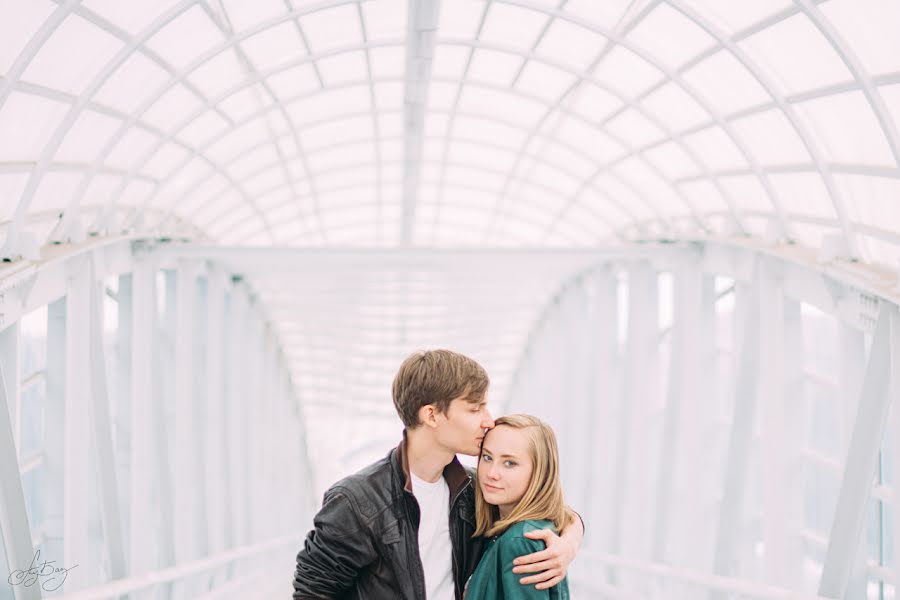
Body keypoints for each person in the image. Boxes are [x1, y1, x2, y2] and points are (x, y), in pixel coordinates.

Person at [293, 350, 583, 599]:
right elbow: (312, 591)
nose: (488, 420)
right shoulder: (357, 502)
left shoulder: (474, 490)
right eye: (475, 408)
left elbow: (544, 507)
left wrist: (569, 542)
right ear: (431, 415)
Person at [463, 414, 572, 600]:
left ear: (539, 472)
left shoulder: (520, 541)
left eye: (509, 463)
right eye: (487, 457)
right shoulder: (514, 531)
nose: (492, 473)